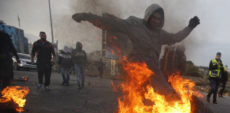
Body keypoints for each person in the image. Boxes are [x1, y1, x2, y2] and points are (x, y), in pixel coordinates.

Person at [72, 4, 200, 99]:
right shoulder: (133, 24)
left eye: (159, 19)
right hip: (136, 67)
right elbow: (109, 23)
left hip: (154, 70)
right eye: (154, 17)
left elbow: (175, 38)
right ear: (148, 15)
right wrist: (86, 16)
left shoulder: (160, 34)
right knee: (138, 100)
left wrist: (190, 27)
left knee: (170, 96)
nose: (156, 21)